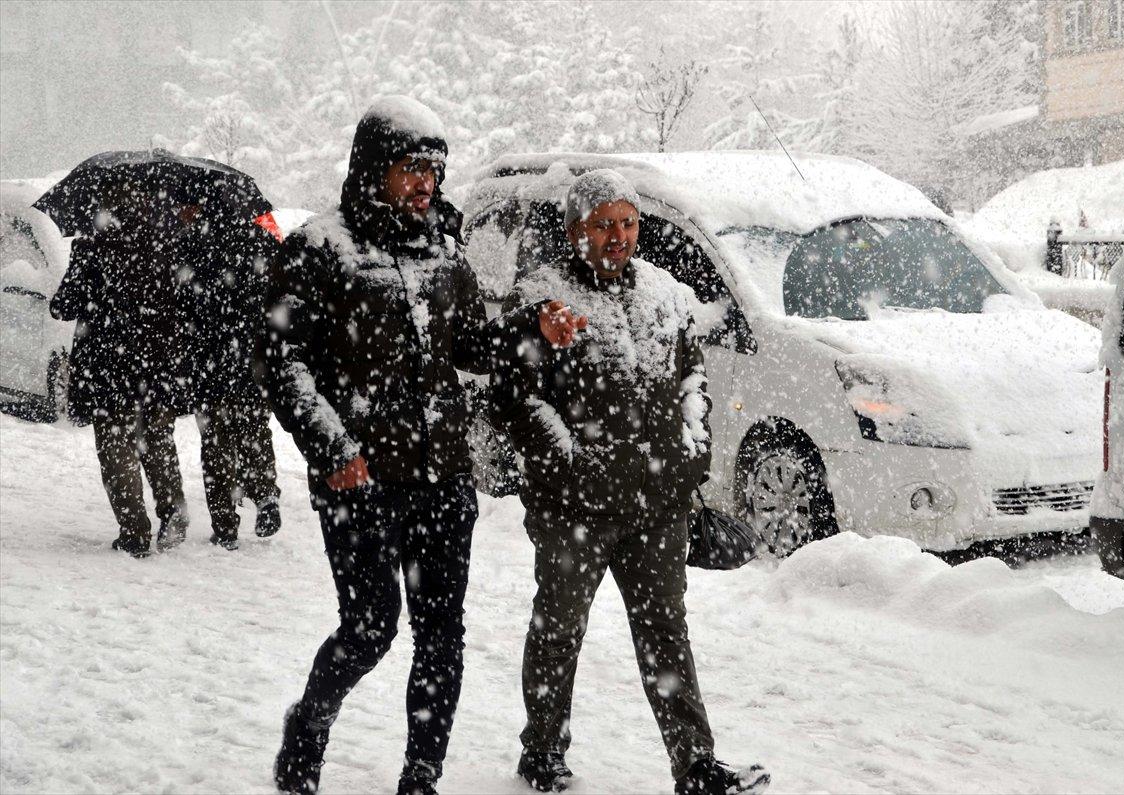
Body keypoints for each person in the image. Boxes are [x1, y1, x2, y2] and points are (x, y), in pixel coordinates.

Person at [260, 96, 580, 795]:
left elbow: (468, 342)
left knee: (441, 634)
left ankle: (421, 774)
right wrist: (332, 445)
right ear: (375, 168)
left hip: (441, 476)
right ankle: (307, 727)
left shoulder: (444, 251)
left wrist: (530, 332)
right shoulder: (321, 249)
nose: (426, 183)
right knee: (371, 626)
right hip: (360, 479)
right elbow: (283, 363)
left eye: (434, 169)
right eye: (411, 168)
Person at [492, 170, 770, 795]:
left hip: (657, 506)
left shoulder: (667, 297)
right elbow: (513, 399)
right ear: (574, 232)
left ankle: (695, 763)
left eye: (627, 223)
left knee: (665, 633)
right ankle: (541, 753)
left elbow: (692, 383)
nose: (618, 236)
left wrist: (693, 455)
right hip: (575, 508)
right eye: (602, 224)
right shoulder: (544, 299)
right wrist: (565, 460)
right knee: (559, 629)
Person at [49, 193, 190, 558]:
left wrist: (84, 282)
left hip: (108, 367)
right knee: (158, 441)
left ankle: (135, 532)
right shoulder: (165, 243)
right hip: (157, 363)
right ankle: (173, 513)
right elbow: (184, 300)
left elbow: (62, 306)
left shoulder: (92, 248)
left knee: (117, 450)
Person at [179, 205, 282, 550]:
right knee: (254, 430)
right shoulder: (262, 242)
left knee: (216, 444)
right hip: (253, 359)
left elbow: (182, 306)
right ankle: (266, 494)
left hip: (210, 362)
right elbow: (280, 300)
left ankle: (225, 526)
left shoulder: (192, 246)